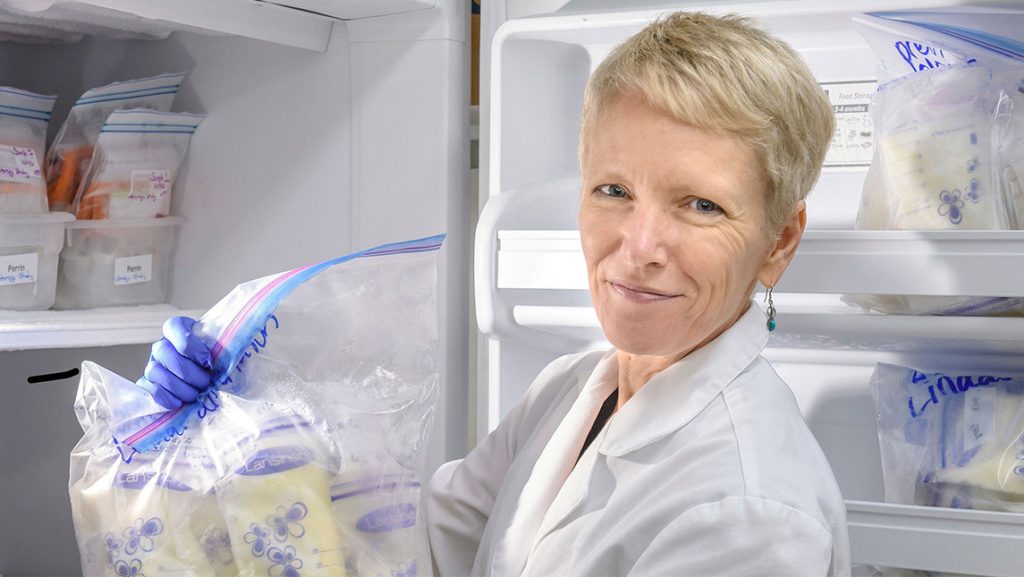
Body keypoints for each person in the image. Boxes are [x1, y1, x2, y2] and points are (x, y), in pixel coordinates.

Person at [139, 11, 849, 577]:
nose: (638, 246)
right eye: (613, 190)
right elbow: (410, 545)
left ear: (779, 241)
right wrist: (235, 433)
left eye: (699, 205)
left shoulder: (753, 513)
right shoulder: (573, 388)